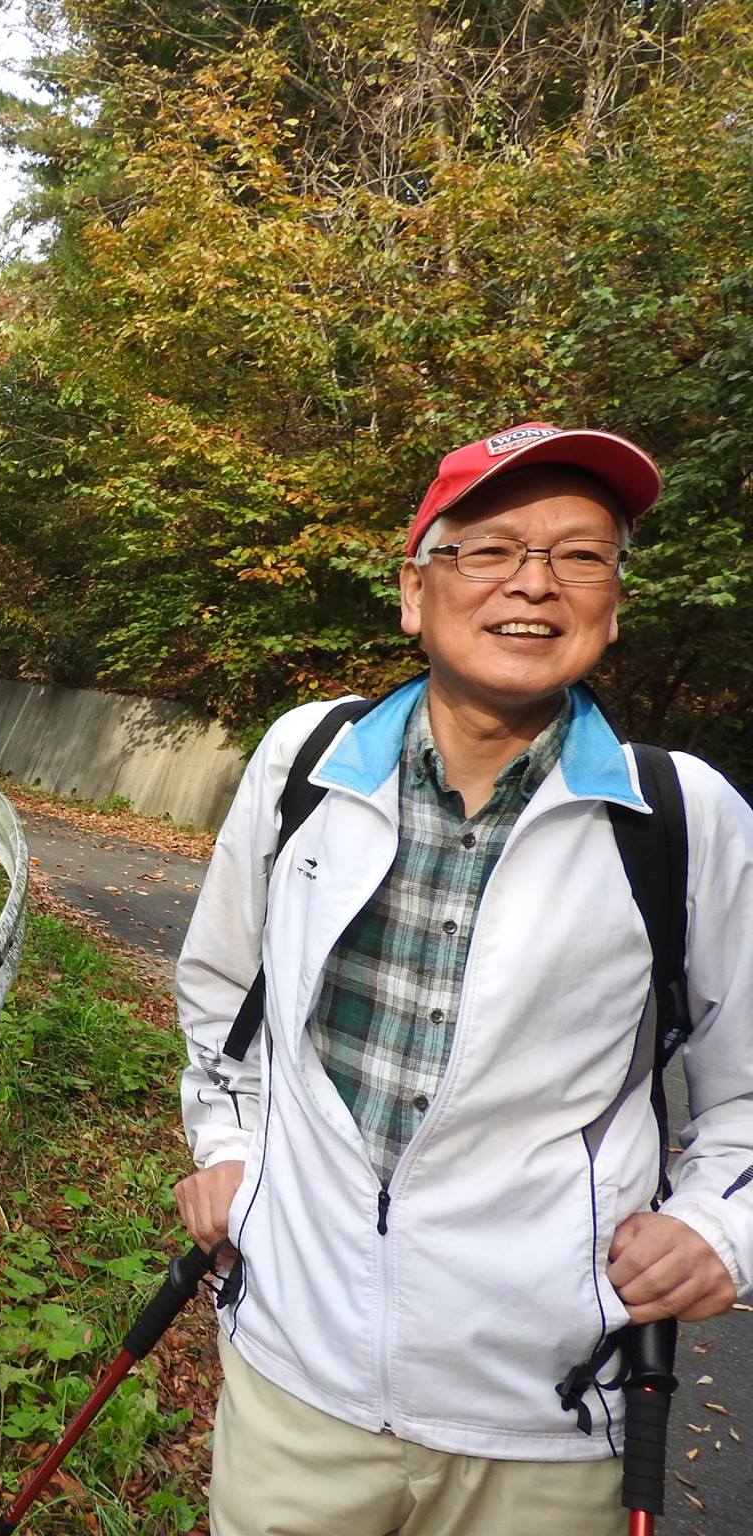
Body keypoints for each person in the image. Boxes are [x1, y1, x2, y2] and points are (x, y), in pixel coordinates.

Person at [172, 423, 753, 1535]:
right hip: (294, 1383)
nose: (532, 582)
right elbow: (221, 1000)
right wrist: (227, 1150)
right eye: (486, 549)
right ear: (412, 591)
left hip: (545, 1416)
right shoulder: (304, 762)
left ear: (613, 602)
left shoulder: (683, 818)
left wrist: (719, 1231)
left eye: (578, 555)